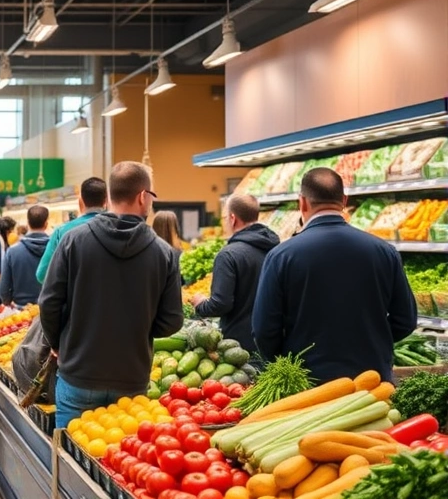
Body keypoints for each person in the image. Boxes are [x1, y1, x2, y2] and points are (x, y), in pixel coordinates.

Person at [40, 162, 184, 430]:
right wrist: (140, 327)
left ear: (109, 197)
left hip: (77, 375)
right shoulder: (163, 253)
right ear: (143, 196)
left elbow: (48, 302)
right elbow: (172, 321)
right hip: (131, 378)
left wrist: (58, 342)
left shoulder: (73, 240)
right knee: (119, 465)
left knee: (68, 460)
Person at [252, 168, 417, 383]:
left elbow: (264, 330)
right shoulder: (384, 251)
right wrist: (373, 341)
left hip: (307, 383)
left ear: (301, 203)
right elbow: (405, 320)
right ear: (344, 200)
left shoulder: (281, 256)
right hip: (371, 382)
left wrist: (287, 362)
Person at [191, 195, 280, 354]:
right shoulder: (277, 249)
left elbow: (220, 304)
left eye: (225, 217)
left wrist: (200, 304)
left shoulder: (228, 255)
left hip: (239, 348)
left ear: (233, 218)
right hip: (273, 341)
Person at [35, 177, 108, 284]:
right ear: (106, 201)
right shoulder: (119, 228)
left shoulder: (62, 231)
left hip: (74, 297)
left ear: (80, 202)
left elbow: (42, 274)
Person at [0, 205, 51, 307]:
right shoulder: (56, 249)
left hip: (21, 314)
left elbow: (3, 289)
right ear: (46, 224)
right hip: (49, 310)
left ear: (27, 223)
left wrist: (8, 301)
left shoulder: (12, 252)